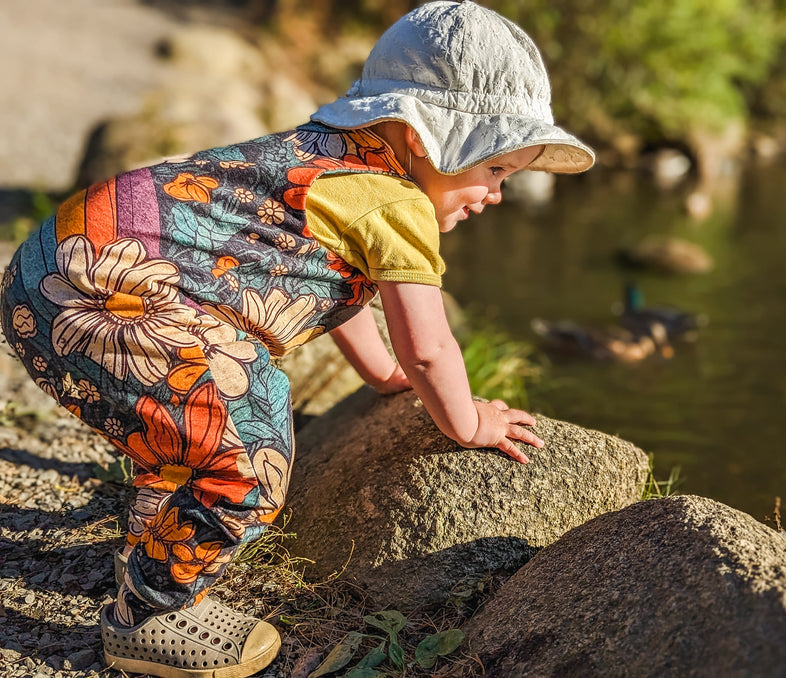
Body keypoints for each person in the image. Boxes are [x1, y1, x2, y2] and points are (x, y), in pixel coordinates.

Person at [0, 1, 594, 676]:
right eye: (494, 170)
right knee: (250, 444)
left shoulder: (326, 156)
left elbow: (333, 292)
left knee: (191, 422)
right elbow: (428, 346)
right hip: (103, 292)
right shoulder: (395, 204)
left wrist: (379, 378)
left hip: (51, 269)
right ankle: (151, 616)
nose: (496, 194)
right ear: (428, 139)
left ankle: (154, 546)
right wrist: (466, 420)